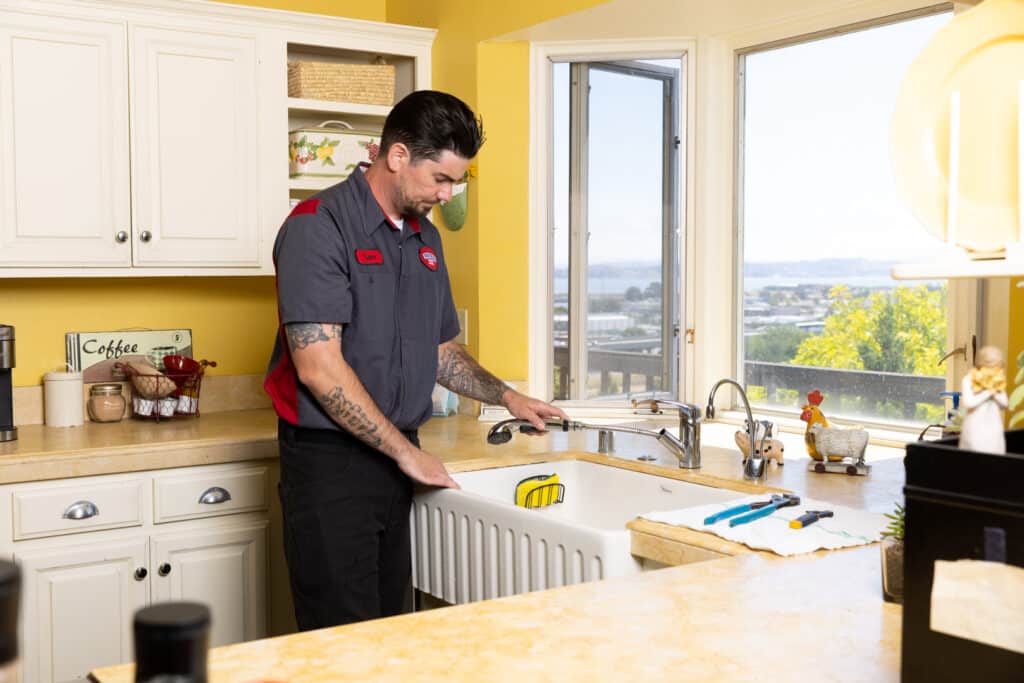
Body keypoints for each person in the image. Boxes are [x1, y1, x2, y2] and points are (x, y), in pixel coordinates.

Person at [264, 90, 568, 631]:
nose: (448, 195)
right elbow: (318, 366)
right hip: (331, 465)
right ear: (398, 156)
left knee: (392, 629)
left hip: (396, 458)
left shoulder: (424, 236)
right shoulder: (319, 225)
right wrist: (406, 454)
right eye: (441, 180)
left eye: (457, 182)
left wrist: (508, 397)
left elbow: (440, 349)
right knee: (341, 640)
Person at [959, 345, 1008, 454]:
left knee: (995, 455)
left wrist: (995, 393)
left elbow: (1005, 403)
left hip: (993, 428)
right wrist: (988, 392)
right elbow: (968, 403)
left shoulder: (997, 381)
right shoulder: (969, 380)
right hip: (975, 428)